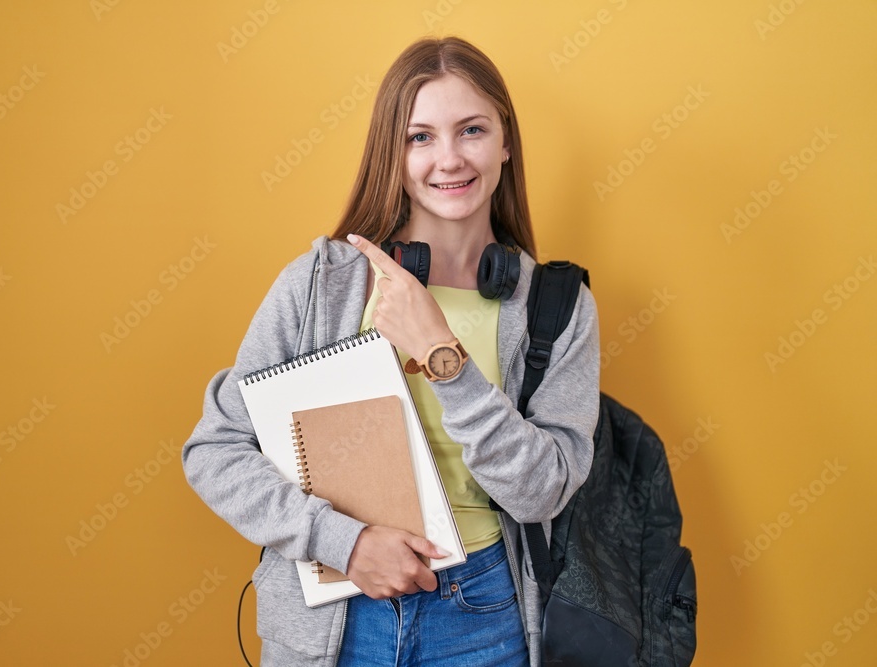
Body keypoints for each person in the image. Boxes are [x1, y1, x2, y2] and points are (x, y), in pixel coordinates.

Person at [182, 35, 600, 667]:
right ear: (393, 153)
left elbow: (541, 492)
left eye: (472, 130)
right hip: (334, 617)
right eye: (420, 137)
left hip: (483, 614)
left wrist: (443, 356)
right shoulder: (323, 283)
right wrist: (342, 543)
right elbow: (215, 451)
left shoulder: (555, 306)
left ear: (506, 142)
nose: (450, 159)